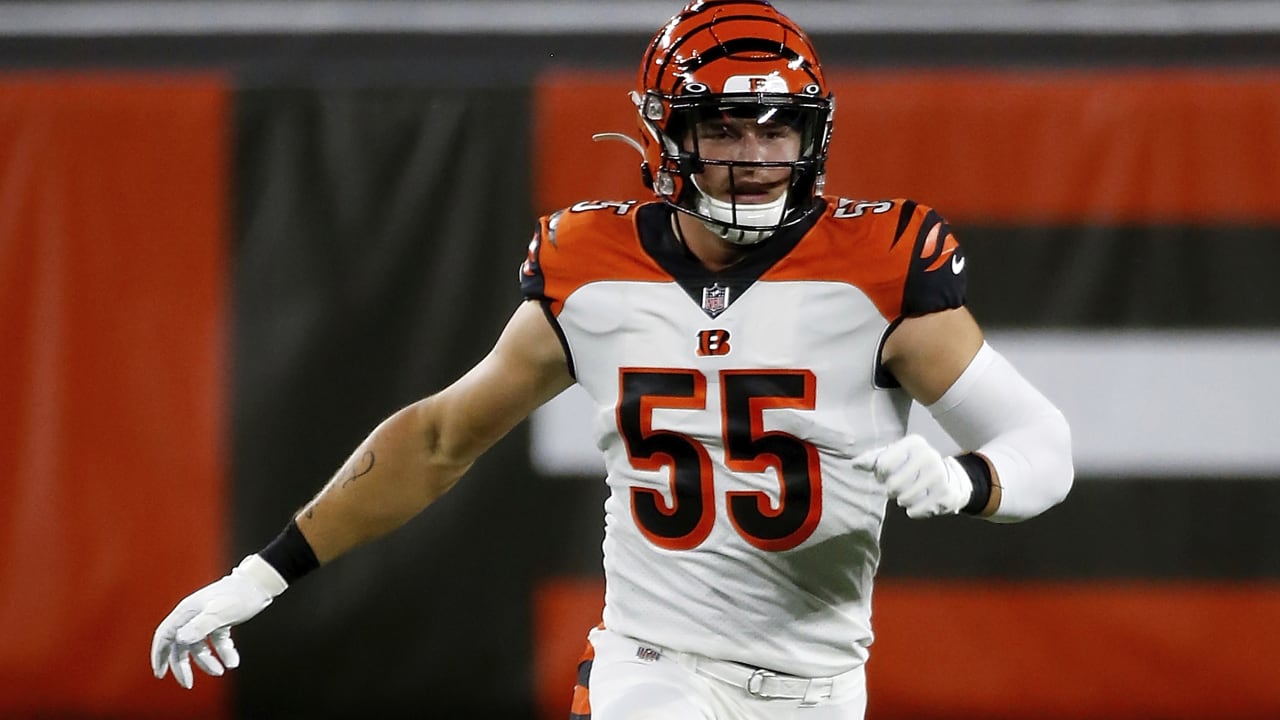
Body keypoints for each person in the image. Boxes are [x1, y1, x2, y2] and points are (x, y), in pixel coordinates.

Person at [151, 1, 1073, 717]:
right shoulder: (590, 269)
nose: (754, 157)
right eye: (722, 129)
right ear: (667, 134)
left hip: (821, 686)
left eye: (777, 128)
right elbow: (438, 439)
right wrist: (262, 574)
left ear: (814, 134)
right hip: (652, 665)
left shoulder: (880, 269)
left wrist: (969, 479)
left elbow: (1044, 443)